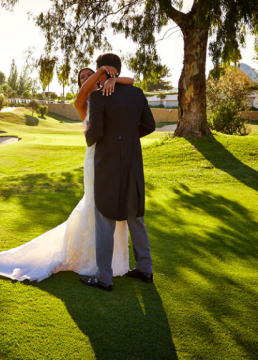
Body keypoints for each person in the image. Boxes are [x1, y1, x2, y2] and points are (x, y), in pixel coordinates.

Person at [0, 64, 135, 282]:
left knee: (112, 204)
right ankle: (91, 259)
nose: (87, 78)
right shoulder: (82, 102)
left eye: (90, 75)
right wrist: (101, 72)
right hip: (94, 158)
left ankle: (110, 261)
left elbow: (131, 82)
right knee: (94, 202)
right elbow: (84, 93)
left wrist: (112, 80)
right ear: (80, 82)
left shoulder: (108, 95)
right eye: (83, 76)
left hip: (113, 159)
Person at [80, 53, 156, 292]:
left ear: (103, 71)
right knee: (135, 216)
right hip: (133, 161)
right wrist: (129, 139)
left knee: (104, 217)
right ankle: (145, 269)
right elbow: (150, 126)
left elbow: (96, 134)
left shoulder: (98, 96)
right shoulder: (137, 93)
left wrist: (88, 134)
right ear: (119, 69)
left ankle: (104, 277)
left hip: (108, 164)